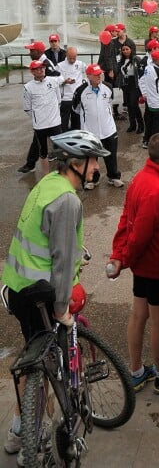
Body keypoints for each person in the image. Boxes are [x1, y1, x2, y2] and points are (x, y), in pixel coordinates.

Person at [2, 130, 108, 460]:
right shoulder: (68, 201)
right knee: (47, 362)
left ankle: (20, 432)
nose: (97, 169)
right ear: (76, 163)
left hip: (17, 284)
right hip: (41, 293)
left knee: (35, 353)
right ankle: (29, 438)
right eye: (93, 162)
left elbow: (46, 237)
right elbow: (62, 265)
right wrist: (62, 307)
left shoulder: (48, 184)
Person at [107, 131, 159, 395]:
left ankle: (136, 371)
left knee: (138, 314)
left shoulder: (141, 178)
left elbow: (126, 218)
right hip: (156, 266)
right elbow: (140, 235)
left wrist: (119, 254)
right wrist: (124, 258)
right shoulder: (156, 191)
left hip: (143, 265)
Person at [73, 64, 123, 189]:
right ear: (88, 76)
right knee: (91, 157)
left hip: (108, 129)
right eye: (95, 75)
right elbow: (76, 108)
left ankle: (113, 177)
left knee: (111, 155)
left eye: (100, 74)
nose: (99, 76)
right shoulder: (81, 91)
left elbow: (110, 102)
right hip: (90, 132)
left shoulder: (108, 87)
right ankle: (93, 179)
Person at [22, 60, 66, 176]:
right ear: (32, 72)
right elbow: (27, 108)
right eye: (37, 68)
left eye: (43, 67)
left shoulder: (53, 81)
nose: (41, 70)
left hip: (55, 123)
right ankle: (46, 176)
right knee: (43, 152)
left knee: (60, 150)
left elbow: (59, 99)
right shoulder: (28, 87)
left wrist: (52, 113)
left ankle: (62, 175)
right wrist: (38, 116)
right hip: (40, 125)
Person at [57, 47, 86, 132]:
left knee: (77, 121)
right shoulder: (59, 66)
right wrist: (64, 81)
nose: (72, 59)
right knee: (63, 122)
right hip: (65, 98)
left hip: (77, 98)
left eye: (74, 57)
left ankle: (76, 137)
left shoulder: (81, 64)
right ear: (66, 55)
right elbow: (56, 81)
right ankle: (63, 138)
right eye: (70, 58)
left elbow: (89, 72)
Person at [117, 43, 144, 134]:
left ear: (131, 49)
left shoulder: (136, 59)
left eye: (127, 49)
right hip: (125, 85)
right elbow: (119, 73)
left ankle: (141, 125)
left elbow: (142, 72)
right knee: (128, 105)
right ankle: (132, 124)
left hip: (135, 84)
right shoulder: (121, 61)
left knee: (134, 105)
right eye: (123, 50)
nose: (125, 51)